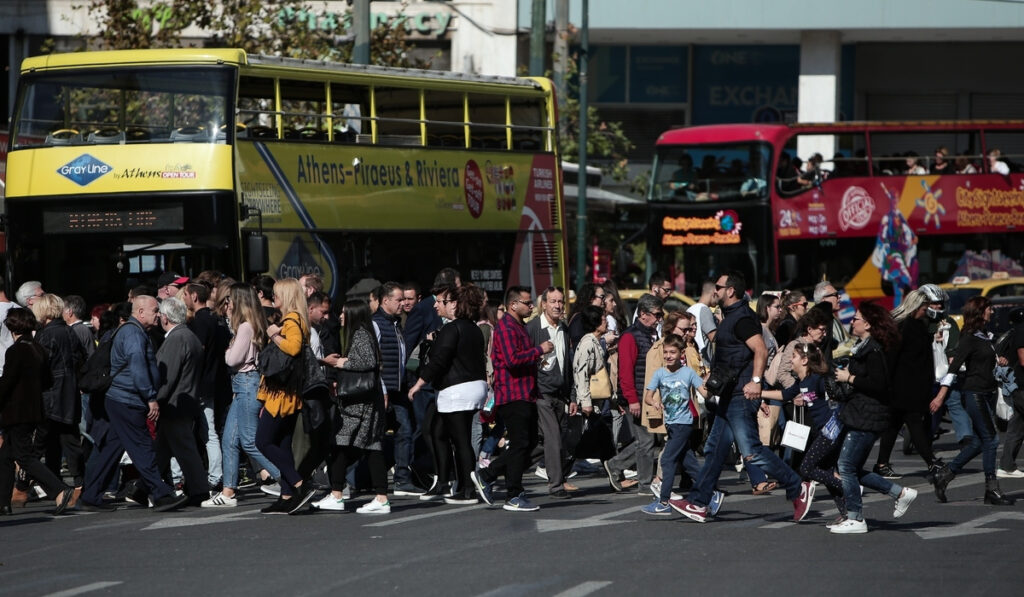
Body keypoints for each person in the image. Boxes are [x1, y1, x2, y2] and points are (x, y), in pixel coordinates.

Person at [671, 271, 812, 524]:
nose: (715, 290)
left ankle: (797, 486)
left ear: (731, 291)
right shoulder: (729, 316)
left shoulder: (742, 318)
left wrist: (756, 382)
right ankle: (699, 503)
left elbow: (760, 349)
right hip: (728, 393)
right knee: (714, 450)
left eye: (719, 286)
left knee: (752, 451)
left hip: (740, 394)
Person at [80, 296, 188, 512]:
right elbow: (138, 366)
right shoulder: (133, 334)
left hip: (121, 399)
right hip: (127, 400)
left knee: (111, 448)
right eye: (155, 310)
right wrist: (150, 398)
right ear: (140, 312)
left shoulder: (135, 332)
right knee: (143, 447)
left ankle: (90, 496)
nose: (159, 314)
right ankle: (161, 494)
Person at [831, 302, 918, 534]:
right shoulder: (865, 346)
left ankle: (856, 518)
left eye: (856, 318)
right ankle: (900, 493)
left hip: (868, 416)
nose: (852, 321)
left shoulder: (874, 350)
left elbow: (879, 385)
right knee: (852, 468)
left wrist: (849, 378)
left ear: (867, 324)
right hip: (862, 413)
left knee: (846, 466)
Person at [471, 286, 553, 512]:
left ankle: (491, 476)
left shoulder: (520, 326)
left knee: (528, 444)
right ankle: (512, 492)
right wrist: (539, 350)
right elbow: (511, 360)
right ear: (513, 305)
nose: (531, 307)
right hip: (512, 395)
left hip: (525, 393)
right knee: (519, 444)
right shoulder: (507, 327)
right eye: (527, 303)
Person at [407, 284, 489, 505]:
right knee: (440, 431)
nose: (437, 305)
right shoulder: (473, 327)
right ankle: (451, 482)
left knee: (460, 440)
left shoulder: (452, 329)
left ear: (454, 304)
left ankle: (467, 489)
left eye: (441, 302)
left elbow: (439, 361)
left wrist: (419, 384)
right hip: (474, 387)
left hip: (456, 390)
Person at [930, 296, 1015, 506]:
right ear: (979, 312)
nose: (992, 312)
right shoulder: (968, 337)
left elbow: (986, 358)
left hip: (987, 392)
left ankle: (945, 474)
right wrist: (941, 396)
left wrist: (1000, 360)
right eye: (989, 309)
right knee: (992, 440)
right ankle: (991, 489)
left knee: (978, 442)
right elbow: (954, 367)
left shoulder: (985, 335)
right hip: (974, 393)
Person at [203, 284, 279, 508]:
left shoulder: (245, 327)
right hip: (243, 385)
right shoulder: (247, 325)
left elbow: (232, 360)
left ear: (238, 301)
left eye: (230, 300)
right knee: (229, 440)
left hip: (246, 383)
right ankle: (228, 492)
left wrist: (228, 348)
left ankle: (289, 478)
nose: (227, 305)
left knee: (248, 439)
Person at [316, 299, 391, 514]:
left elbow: (368, 362)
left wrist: (340, 363)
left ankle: (340, 494)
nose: (340, 316)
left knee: (344, 444)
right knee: (367, 446)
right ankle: (370, 496)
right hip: (363, 402)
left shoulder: (360, 334)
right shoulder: (362, 333)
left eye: (343, 312)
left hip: (360, 404)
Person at [0, 308, 75, 516]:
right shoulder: (38, 349)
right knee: (5, 456)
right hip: (34, 410)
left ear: (12, 326)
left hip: (16, 411)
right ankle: (3, 502)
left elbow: (7, 383)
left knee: (24, 457)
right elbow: (48, 381)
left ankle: (59, 489)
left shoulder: (16, 351)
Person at [763, 341, 845, 520]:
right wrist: (759, 393)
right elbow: (785, 395)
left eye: (793, 357)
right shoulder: (802, 382)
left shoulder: (817, 379)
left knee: (807, 468)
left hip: (829, 431)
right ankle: (847, 513)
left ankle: (847, 486)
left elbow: (835, 398)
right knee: (827, 470)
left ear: (805, 360)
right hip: (822, 432)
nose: (790, 361)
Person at [255, 278, 316, 515]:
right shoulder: (294, 319)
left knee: (263, 441)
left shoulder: (291, 321)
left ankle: (300, 484)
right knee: (282, 443)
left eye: (277, 294)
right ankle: (287, 494)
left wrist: (273, 335)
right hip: (288, 393)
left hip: (281, 395)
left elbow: (293, 348)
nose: (274, 297)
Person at [873, 290, 944, 480]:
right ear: (917, 307)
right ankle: (931, 462)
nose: (928, 310)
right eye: (925, 307)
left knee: (893, 425)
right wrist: (888, 383)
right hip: (903, 386)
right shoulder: (904, 327)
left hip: (911, 384)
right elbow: (893, 357)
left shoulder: (917, 325)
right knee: (914, 423)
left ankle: (881, 464)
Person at [641, 334, 707, 516]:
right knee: (689, 463)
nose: (669, 356)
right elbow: (648, 395)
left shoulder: (688, 373)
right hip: (670, 424)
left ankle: (663, 502)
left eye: (673, 352)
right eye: (666, 352)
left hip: (683, 424)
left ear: (681, 353)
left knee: (667, 460)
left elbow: (705, 392)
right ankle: (710, 493)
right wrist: (653, 402)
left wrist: (710, 383)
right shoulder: (660, 373)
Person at [603, 293, 663, 493]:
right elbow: (625, 371)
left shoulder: (650, 334)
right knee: (646, 441)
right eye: (657, 314)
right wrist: (631, 399)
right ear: (644, 314)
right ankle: (645, 484)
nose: (659, 318)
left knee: (646, 440)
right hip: (637, 397)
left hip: (648, 396)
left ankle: (615, 465)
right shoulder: (630, 336)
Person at [152, 297, 209, 505]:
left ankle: (199, 490)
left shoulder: (176, 338)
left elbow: (167, 375)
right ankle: (144, 487)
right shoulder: (188, 335)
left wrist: (156, 400)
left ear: (165, 318)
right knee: (161, 450)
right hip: (183, 400)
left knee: (184, 449)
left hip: (175, 403)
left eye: (160, 315)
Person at [30, 294, 86, 502]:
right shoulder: (69, 332)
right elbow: (81, 360)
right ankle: (77, 485)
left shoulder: (45, 336)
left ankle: (49, 486)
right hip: (68, 395)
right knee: (68, 442)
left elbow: (38, 367)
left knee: (39, 446)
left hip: (50, 396)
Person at [526, 286, 576, 498]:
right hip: (541, 394)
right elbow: (524, 358)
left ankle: (497, 470)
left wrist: (572, 396)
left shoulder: (563, 329)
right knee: (553, 437)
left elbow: (568, 366)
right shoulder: (533, 328)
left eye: (560, 302)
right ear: (543, 304)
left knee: (541, 443)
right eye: (553, 301)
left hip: (560, 394)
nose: (557, 306)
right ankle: (556, 485)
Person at [998, 308, 1024, 478]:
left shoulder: (1015, 331)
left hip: (1018, 385)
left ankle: (1007, 465)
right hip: (1023, 386)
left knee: (1017, 426)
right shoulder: (1022, 330)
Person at [686, 280, 718, 370]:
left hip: (693, 359)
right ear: (714, 293)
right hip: (704, 364)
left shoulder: (690, 309)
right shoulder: (704, 310)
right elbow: (714, 337)